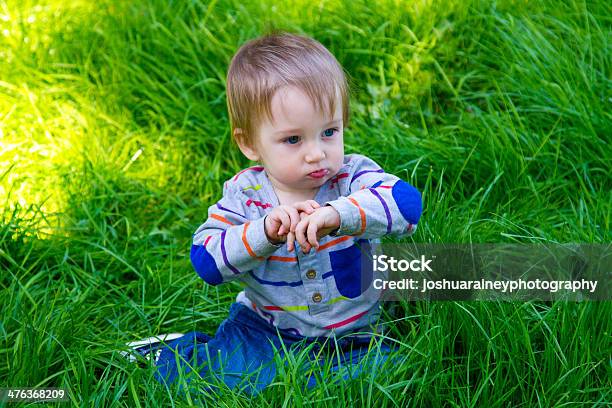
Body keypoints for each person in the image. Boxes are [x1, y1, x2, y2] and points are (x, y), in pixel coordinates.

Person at [133, 30, 422, 396]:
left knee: (387, 379)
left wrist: (338, 214)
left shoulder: (352, 177)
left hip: (358, 334)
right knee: (230, 379)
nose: (316, 153)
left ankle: (329, 374)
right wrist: (264, 233)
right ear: (249, 143)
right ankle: (171, 352)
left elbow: (407, 205)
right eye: (293, 139)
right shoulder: (246, 196)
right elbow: (206, 261)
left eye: (329, 131)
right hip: (268, 330)